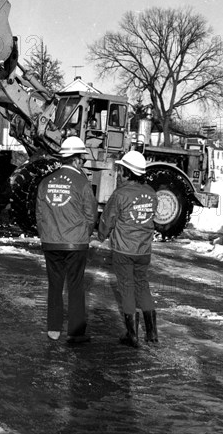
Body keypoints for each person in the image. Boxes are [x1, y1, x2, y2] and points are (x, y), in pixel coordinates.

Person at [36, 137, 98, 344]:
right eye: (82, 158)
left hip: (51, 242)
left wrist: (47, 235)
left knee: (54, 286)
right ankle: (75, 331)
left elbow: (40, 215)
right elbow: (91, 216)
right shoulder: (82, 183)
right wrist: (83, 234)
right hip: (75, 243)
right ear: (77, 160)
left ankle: (53, 330)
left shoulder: (45, 181)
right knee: (75, 286)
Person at [98, 150, 158, 348]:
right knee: (142, 286)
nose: (120, 173)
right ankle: (152, 333)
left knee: (126, 289)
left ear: (127, 172)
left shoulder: (120, 194)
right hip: (144, 251)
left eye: (122, 170)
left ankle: (132, 335)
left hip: (124, 250)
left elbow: (108, 219)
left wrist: (101, 234)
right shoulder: (151, 193)